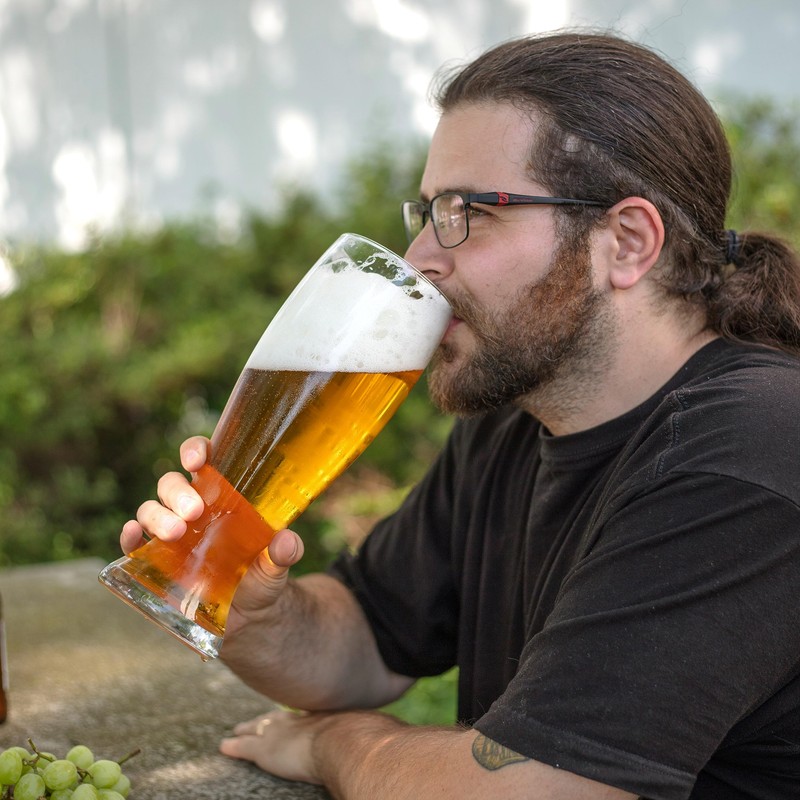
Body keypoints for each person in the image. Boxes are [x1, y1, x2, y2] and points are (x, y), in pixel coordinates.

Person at [121, 30, 800, 800]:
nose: (419, 258)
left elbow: (534, 791)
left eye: (468, 212)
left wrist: (343, 745)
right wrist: (247, 612)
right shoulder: (516, 423)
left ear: (628, 242)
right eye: (429, 210)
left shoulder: (750, 446)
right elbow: (366, 641)